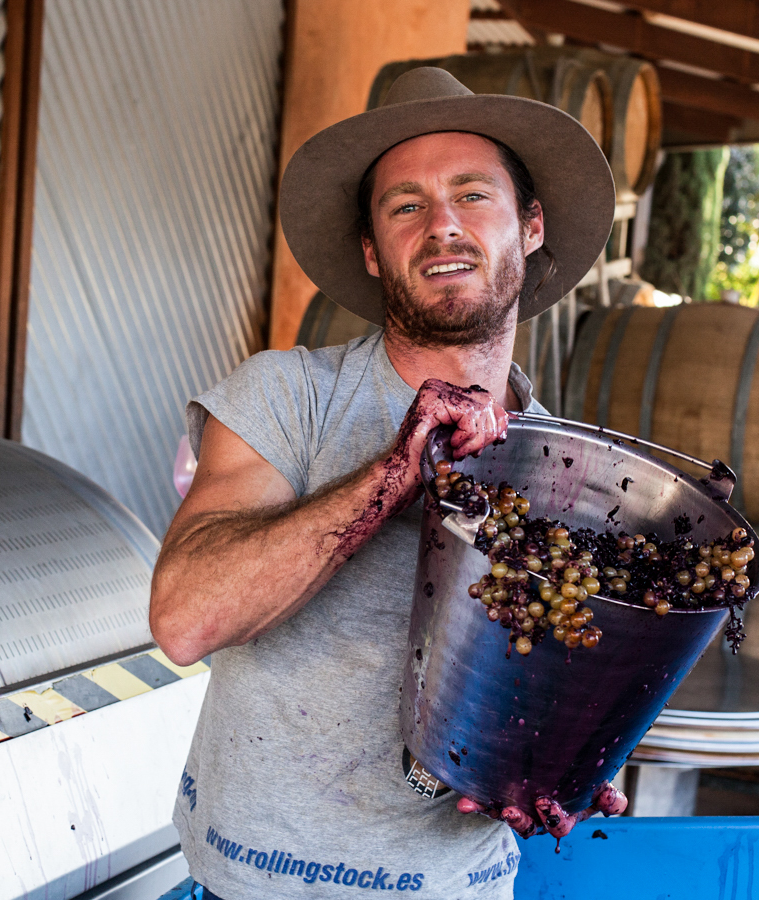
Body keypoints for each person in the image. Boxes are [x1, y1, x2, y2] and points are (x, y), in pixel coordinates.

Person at [150, 67, 618, 899]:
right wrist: (399, 471)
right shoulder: (285, 397)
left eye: (472, 195)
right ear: (372, 250)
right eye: (405, 206)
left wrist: (566, 754)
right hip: (254, 886)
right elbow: (186, 619)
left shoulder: (565, 470)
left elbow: (544, 688)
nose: (442, 225)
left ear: (531, 226)